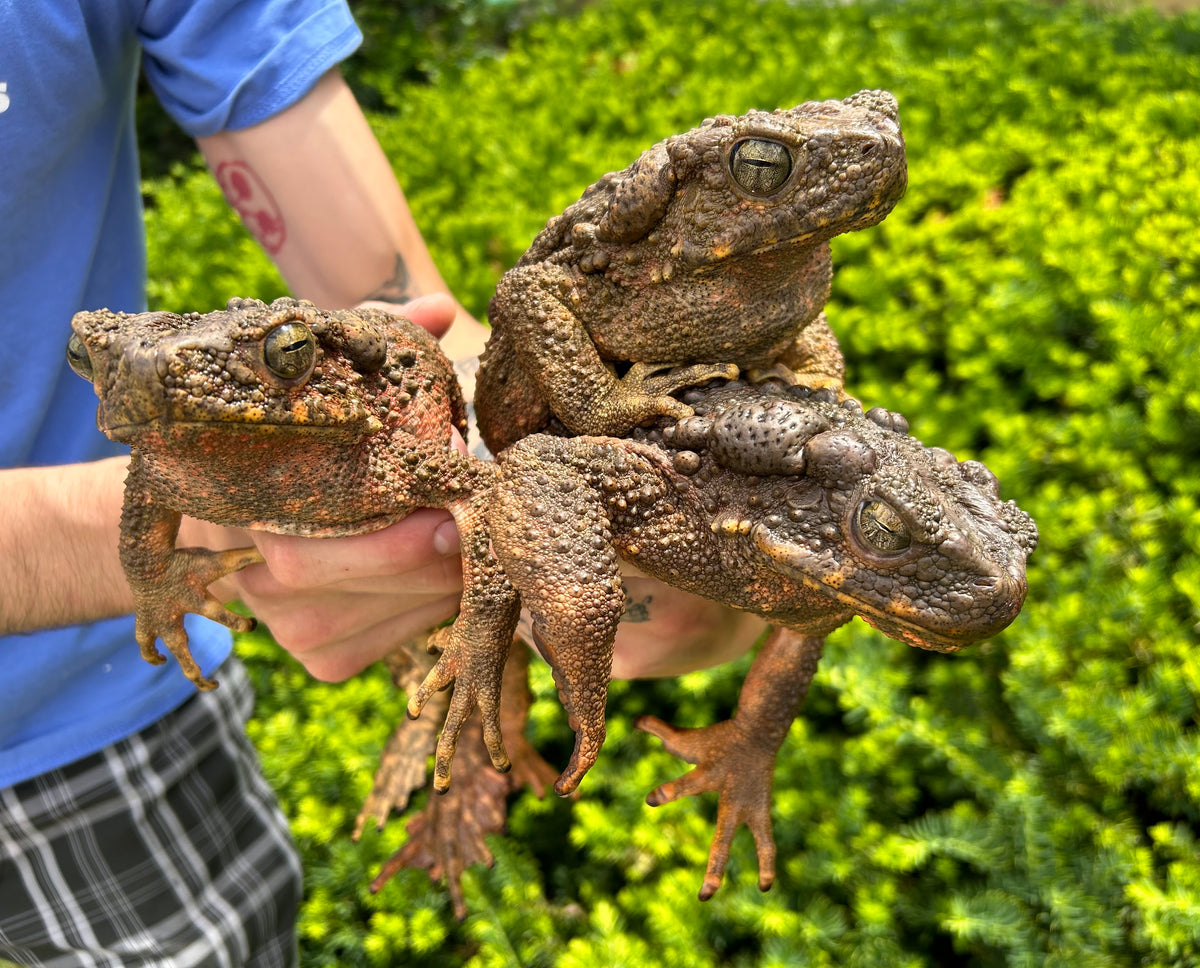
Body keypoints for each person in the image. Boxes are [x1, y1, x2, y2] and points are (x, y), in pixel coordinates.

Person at [0, 1, 765, 964]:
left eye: (281, 360)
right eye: (98, 364)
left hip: (94, 715)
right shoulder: (177, 463)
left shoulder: (364, 443)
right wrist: (179, 555)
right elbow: (154, 492)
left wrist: (597, 465)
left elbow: (408, 330)